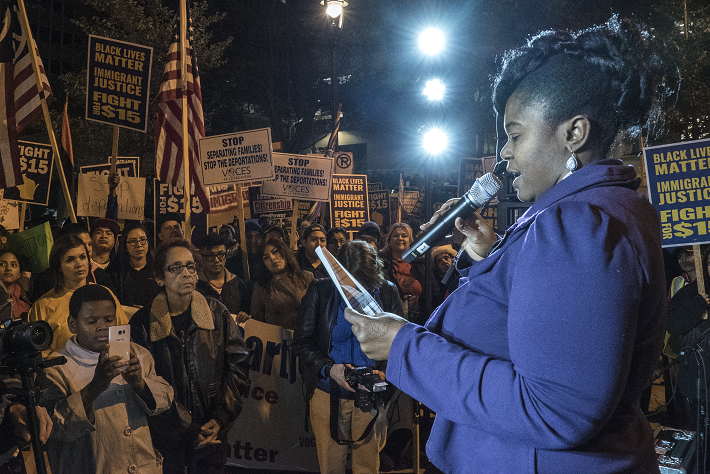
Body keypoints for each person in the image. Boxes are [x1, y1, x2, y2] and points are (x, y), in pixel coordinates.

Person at [344, 18, 673, 473]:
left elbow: (554, 409)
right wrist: (488, 257)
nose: (504, 151)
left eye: (515, 134)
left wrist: (403, 346)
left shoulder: (577, 222)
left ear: (574, 133)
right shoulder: (599, 209)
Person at [129, 238, 250, 474]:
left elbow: (239, 367)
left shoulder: (218, 314)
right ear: (159, 277)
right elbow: (144, 385)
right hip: (166, 440)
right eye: (176, 268)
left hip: (212, 433)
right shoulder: (143, 324)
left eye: (191, 266)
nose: (186, 273)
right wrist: (187, 429)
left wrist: (221, 417)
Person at [293, 240, 403, 474]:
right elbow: (302, 343)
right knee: (331, 466)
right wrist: (329, 368)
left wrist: (384, 375)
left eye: (362, 283)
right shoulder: (321, 290)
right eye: (349, 282)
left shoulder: (387, 291)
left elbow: (401, 345)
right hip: (328, 393)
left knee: (367, 467)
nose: (354, 289)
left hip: (370, 396)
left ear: (374, 273)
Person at [39, 284, 173, 474]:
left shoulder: (137, 353)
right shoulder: (56, 367)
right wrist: (95, 386)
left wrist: (139, 384)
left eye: (109, 319)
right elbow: (54, 427)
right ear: (72, 324)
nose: (103, 327)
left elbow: (165, 398)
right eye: (92, 321)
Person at [28, 234, 128, 355]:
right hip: (62, 371)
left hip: (106, 368)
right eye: (70, 260)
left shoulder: (104, 294)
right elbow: (39, 352)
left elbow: (122, 338)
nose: (79, 264)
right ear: (58, 266)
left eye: (83, 257)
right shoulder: (43, 305)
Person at [666, 247, 710, 429]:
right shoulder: (691, 292)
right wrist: (698, 305)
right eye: (709, 263)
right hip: (698, 379)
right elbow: (673, 324)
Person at [251, 238, 313, 330]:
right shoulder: (261, 287)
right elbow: (257, 320)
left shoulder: (306, 278)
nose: (272, 258)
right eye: (266, 257)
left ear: (285, 253)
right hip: (279, 340)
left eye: (275, 252)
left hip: (305, 337)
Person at [195, 232, 250, 323]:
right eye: (210, 256)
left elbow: (248, 312)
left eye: (221, 254)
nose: (216, 260)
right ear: (201, 257)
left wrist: (245, 315)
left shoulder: (238, 284)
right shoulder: (194, 286)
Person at [105, 222, 161, 310]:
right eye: (132, 241)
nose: (139, 245)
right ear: (125, 246)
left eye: (142, 240)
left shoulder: (158, 270)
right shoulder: (115, 274)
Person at [379, 223, 424, 323]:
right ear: (389, 241)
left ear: (410, 241)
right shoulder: (382, 265)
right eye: (395, 236)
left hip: (419, 320)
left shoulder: (420, 264)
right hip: (392, 320)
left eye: (404, 236)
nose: (400, 238)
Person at [0, 250, 32, 321]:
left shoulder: (25, 299)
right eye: (2, 264)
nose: (8, 269)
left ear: (19, 274)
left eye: (13, 265)